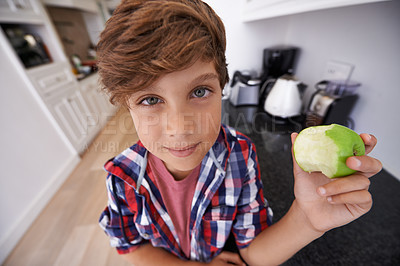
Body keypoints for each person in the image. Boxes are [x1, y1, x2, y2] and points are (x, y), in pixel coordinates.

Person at [96, 0, 382, 265]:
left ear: (222, 89)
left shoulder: (239, 155)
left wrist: (307, 219)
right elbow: (131, 247)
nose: (180, 127)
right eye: (150, 100)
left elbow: (253, 252)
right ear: (127, 105)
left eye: (199, 91)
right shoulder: (123, 176)